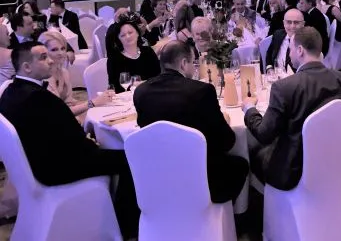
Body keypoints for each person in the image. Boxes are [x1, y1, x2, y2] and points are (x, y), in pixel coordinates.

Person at [0, 42, 136, 229]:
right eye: (43, 57)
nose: (50, 61)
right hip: (55, 168)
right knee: (130, 157)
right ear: (27, 67)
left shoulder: (10, 91)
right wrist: (94, 143)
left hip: (35, 163)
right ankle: (127, 223)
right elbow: (76, 142)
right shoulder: (39, 98)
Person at [134, 41, 249, 204]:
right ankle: (234, 215)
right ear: (183, 63)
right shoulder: (201, 91)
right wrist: (224, 120)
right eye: (193, 62)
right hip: (203, 181)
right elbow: (227, 142)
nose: (195, 67)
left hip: (158, 178)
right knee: (241, 164)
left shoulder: (141, 92)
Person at [243, 28, 341, 189]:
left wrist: (249, 109)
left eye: (290, 49)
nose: (289, 55)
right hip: (337, 162)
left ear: (300, 50)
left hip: (294, 172)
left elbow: (264, 134)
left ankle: (268, 199)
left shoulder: (284, 87)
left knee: (252, 149)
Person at [106, 17, 160, 93]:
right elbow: (114, 88)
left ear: (137, 33)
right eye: (123, 35)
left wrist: (143, 84)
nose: (128, 37)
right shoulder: (114, 59)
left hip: (151, 93)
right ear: (119, 39)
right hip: (126, 97)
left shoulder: (148, 51)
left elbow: (159, 77)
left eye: (130, 33)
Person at [263, 8, 305, 73]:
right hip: (278, 76)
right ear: (284, 23)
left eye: (296, 22)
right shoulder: (278, 35)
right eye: (289, 22)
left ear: (303, 24)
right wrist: (269, 68)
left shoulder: (307, 41)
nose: (292, 26)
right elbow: (269, 54)